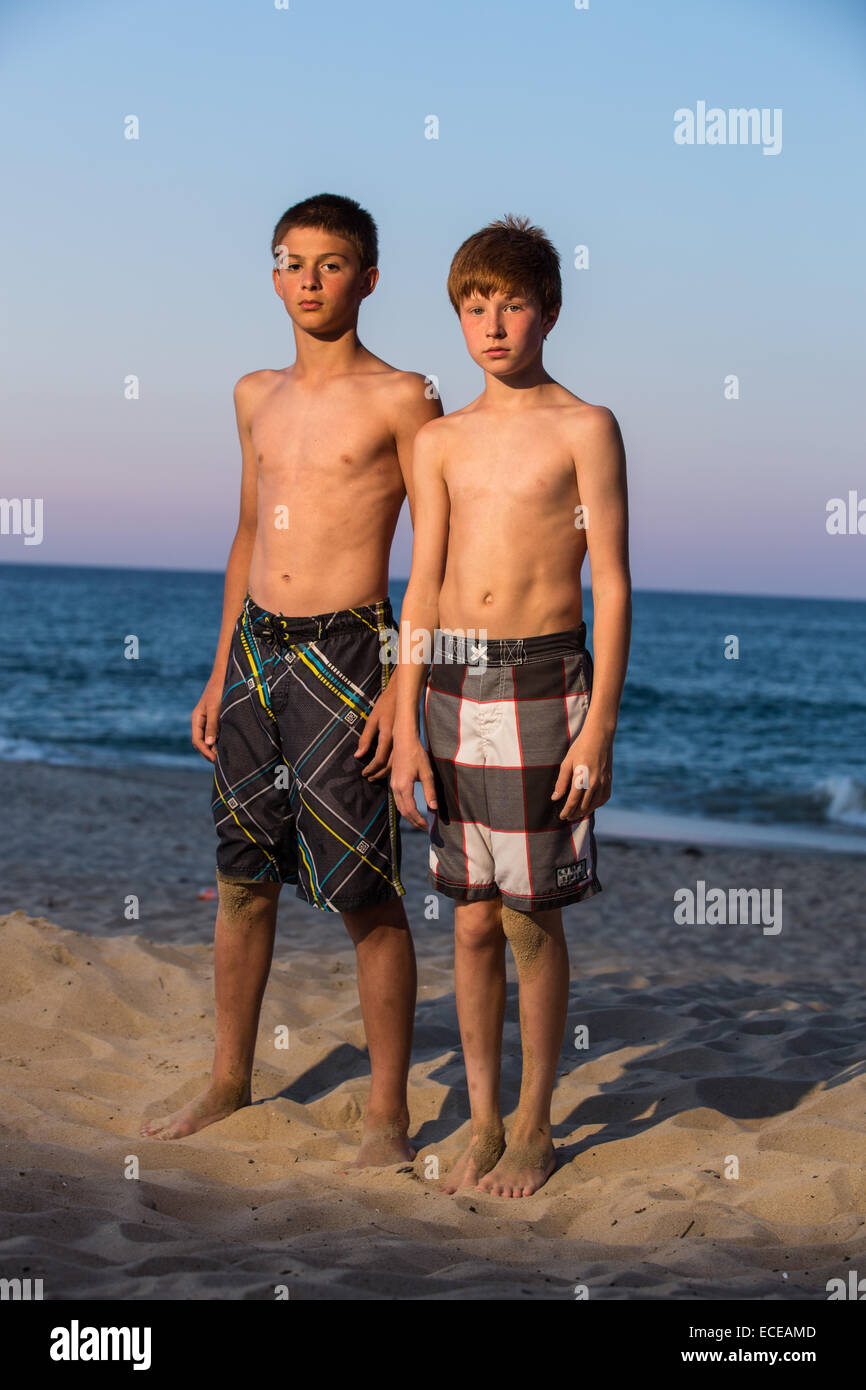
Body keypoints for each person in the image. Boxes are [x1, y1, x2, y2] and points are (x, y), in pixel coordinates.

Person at [141, 193, 442, 1167]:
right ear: (272, 275)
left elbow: (432, 552)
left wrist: (403, 689)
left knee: (365, 891)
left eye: (330, 263)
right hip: (255, 654)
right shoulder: (251, 393)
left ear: (368, 277)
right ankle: (229, 1077)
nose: (308, 281)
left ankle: (386, 1117)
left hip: (349, 652)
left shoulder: (405, 397)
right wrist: (218, 667)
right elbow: (242, 532)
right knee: (239, 878)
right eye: (292, 262)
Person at [391, 215, 631, 1197]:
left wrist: (599, 722)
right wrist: (404, 717)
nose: (491, 323)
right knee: (470, 918)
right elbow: (420, 582)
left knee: (532, 915)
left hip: (542, 682)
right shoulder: (438, 439)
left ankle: (535, 1124)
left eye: (511, 303)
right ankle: (484, 1120)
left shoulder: (584, 426)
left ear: (549, 310)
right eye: (473, 305)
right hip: (447, 681)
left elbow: (609, 582)